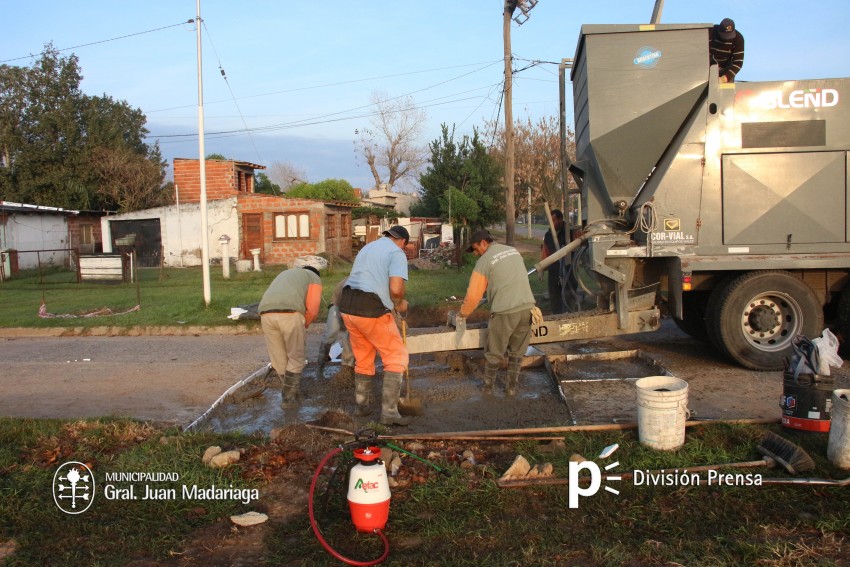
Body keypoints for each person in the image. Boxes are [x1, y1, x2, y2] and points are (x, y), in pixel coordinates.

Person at [338, 225, 412, 426]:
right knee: (396, 357)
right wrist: (399, 303)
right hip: (371, 308)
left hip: (347, 305)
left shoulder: (368, 248)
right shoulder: (396, 252)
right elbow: (396, 289)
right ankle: (389, 413)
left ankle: (362, 407)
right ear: (403, 241)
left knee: (363, 357)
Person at [456, 229, 536, 396]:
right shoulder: (512, 251)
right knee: (517, 352)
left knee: (494, 352)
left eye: (476, 249)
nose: (476, 254)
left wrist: (462, 314)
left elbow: (473, 295)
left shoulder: (484, 261)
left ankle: (487, 390)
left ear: (484, 243)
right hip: (527, 308)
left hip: (505, 311)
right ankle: (511, 389)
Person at [258, 265, 322, 405]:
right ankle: (289, 399)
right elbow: (313, 309)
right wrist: (304, 324)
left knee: (278, 358)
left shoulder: (285, 273)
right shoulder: (314, 277)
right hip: (290, 313)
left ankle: (290, 392)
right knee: (296, 357)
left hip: (265, 313)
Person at [316, 276, 354, 381]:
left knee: (351, 335)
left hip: (354, 308)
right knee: (331, 333)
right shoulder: (348, 282)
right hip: (337, 305)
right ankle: (319, 368)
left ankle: (347, 370)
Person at [541, 209, 567, 315]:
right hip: (553, 270)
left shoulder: (569, 231)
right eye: (550, 221)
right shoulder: (548, 235)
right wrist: (542, 269)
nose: (551, 224)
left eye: (554, 221)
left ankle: (569, 315)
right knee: (554, 295)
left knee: (568, 294)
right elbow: (545, 252)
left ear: (560, 219)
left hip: (567, 269)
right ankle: (556, 315)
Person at [709, 17, 744, 83]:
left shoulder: (738, 39)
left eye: (730, 35)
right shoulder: (711, 32)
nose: (727, 38)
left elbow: (738, 63)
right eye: (725, 35)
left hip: (726, 69)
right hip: (708, 67)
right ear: (719, 31)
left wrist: (725, 78)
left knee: (727, 90)